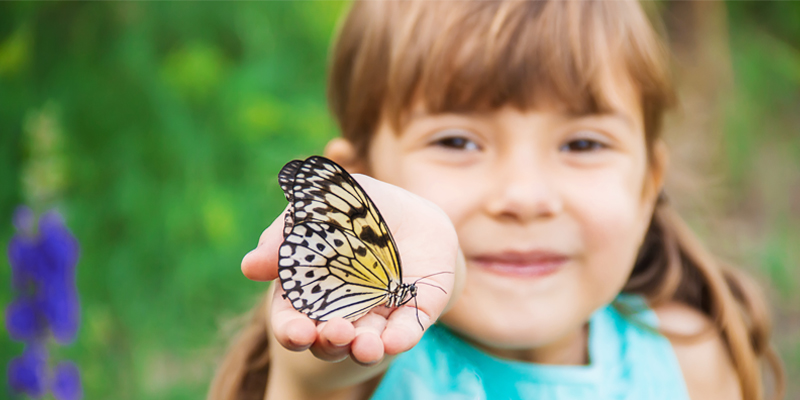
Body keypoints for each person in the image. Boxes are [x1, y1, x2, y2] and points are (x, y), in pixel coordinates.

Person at [209, 1, 784, 399]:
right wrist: (437, 260)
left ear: (647, 184)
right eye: (457, 141)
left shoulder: (690, 361)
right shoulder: (360, 363)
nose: (524, 197)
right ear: (362, 181)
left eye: (583, 143)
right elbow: (315, 364)